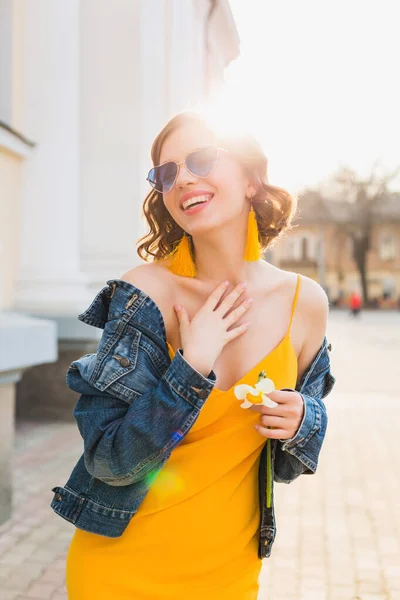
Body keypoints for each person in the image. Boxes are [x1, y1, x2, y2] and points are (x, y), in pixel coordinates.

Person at [51, 112, 335, 599]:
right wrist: (191, 366)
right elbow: (109, 459)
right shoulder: (144, 294)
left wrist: (304, 419)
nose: (181, 178)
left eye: (201, 159)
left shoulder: (303, 304)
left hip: (230, 574)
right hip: (121, 573)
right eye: (166, 173)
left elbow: (287, 465)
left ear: (251, 180)